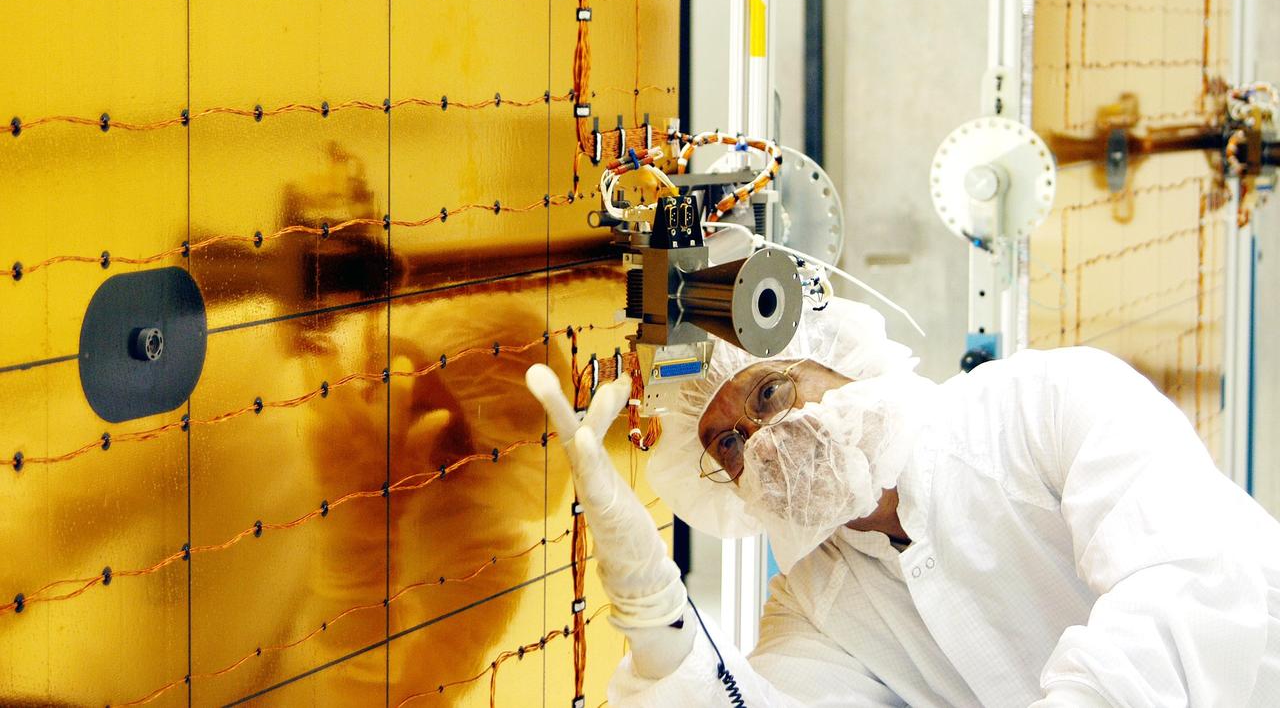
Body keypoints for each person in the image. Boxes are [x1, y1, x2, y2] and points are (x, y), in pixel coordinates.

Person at [526, 297, 1280, 707]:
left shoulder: (1045, 406)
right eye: (726, 443)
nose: (760, 441)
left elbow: (1191, 580)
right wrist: (660, 620)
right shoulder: (817, 606)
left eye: (769, 390)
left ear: (837, 356)